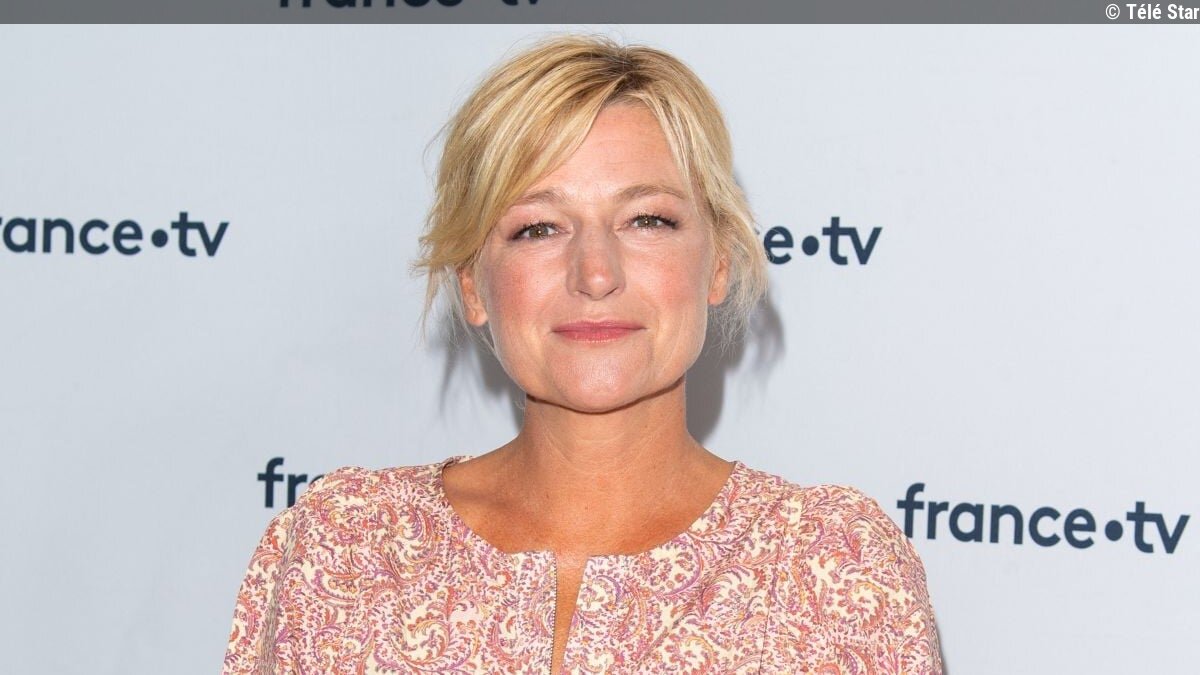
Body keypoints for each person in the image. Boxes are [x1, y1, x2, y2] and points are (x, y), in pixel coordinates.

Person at [223, 34, 942, 674]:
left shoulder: (835, 568)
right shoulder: (345, 545)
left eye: (647, 219)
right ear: (473, 284)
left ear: (718, 262)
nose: (596, 274)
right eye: (539, 228)